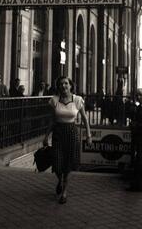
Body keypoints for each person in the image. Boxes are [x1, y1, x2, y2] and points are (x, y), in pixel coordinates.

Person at [43, 76, 92, 204]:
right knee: (57, 163)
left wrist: (89, 135)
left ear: (70, 85)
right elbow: (52, 120)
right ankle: (60, 179)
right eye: (61, 84)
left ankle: (64, 191)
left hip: (71, 132)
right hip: (58, 133)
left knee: (68, 163)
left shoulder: (77, 100)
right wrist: (46, 136)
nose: (63, 86)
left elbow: (85, 119)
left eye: (66, 83)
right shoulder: (54, 101)